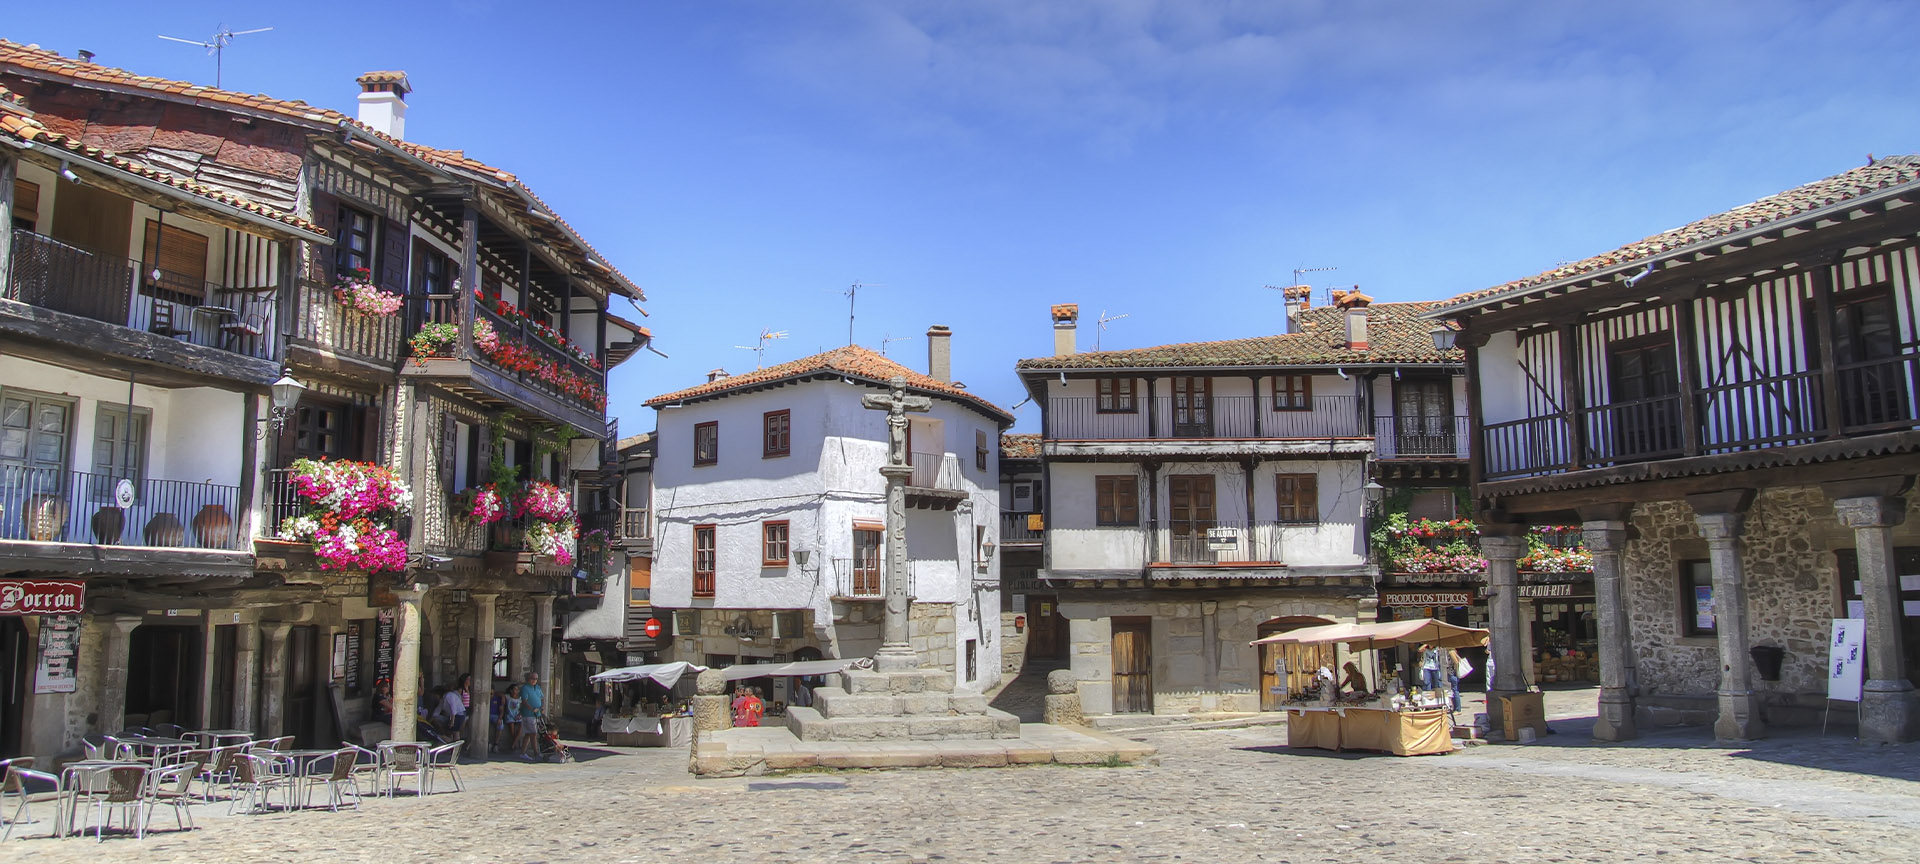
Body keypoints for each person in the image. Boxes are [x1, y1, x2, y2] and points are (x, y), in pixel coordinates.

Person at [519, 672, 545, 760]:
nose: (534, 680)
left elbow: (542, 698)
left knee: (528, 734)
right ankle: (536, 753)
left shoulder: (537, 687)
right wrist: (532, 709)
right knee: (533, 733)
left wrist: (542, 707)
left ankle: (522, 752)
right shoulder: (525, 688)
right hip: (528, 714)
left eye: (536, 679)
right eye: (532, 678)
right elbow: (524, 701)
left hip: (537, 714)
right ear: (528, 679)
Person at [503, 683, 524, 752]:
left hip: (517, 715)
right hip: (510, 715)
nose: (517, 691)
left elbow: (522, 708)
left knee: (520, 727)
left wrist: (520, 714)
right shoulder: (507, 697)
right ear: (511, 690)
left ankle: (513, 744)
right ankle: (514, 743)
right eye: (515, 689)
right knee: (511, 727)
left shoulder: (520, 698)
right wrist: (503, 698)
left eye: (517, 690)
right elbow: (498, 694)